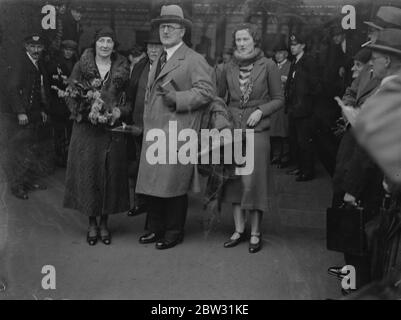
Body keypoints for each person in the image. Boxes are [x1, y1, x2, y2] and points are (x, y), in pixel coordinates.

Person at [135, 5, 214, 250]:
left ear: (182, 32)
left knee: (174, 184)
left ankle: (173, 231)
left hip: (177, 132)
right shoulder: (159, 56)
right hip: (156, 131)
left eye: (171, 27)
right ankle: (154, 227)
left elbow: (206, 92)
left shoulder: (194, 59)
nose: (165, 31)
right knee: (155, 182)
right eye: (162, 26)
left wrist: (178, 99)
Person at [217, 23, 284, 253]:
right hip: (233, 131)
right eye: (238, 40)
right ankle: (238, 230)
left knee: (254, 183)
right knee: (235, 182)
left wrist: (261, 111)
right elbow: (218, 99)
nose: (242, 43)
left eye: (246, 39)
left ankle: (255, 233)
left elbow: (278, 99)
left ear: (255, 40)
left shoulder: (269, 66)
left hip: (258, 131)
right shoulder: (228, 67)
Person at [63, 27, 131, 246]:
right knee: (89, 175)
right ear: (95, 44)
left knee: (109, 176)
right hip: (87, 131)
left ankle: (104, 222)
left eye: (109, 41)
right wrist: (84, 111)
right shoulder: (81, 66)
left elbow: (128, 100)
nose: (105, 45)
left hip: (111, 131)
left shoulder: (122, 68)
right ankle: (92, 223)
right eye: (101, 41)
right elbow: (70, 94)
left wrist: (119, 113)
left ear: (114, 45)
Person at [8, 34, 50, 200]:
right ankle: (17, 186)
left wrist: (42, 110)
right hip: (22, 115)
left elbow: (38, 91)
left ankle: (28, 181)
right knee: (20, 150)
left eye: (39, 47)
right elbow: (12, 89)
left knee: (32, 148)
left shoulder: (38, 64)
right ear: (26, 47)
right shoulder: (21, 63)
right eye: (32, 46)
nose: (36, 50)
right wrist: (20, 111)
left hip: (33, 114)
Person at [126, 30, 163, 217]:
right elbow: (131, 95)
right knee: (138, 166)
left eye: (157, 46)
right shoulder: (140, 66)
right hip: (138, 125)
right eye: (150, 46)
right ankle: (139, 203)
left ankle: (154, 206)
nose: (153, 50)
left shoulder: (167, 67)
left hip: (159, 129)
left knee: (156, 169)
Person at [285, 33, 319, 182]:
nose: (293, 47)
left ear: (303, 45)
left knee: (305, 141)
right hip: (294, 108)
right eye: (291, 45)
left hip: (304, 109)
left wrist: (306, 101)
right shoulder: (295, 61)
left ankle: (308, 171)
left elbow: (316, 86)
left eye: (296, 45)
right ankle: (300, 167)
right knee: (296, 140)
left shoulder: (309, 61)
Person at [47, 39, 78, 167]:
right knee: (59, 132)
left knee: (71, 132)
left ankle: (68, 159)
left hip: (72, 104)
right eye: (66, 50)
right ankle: (59, 158)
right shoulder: (55, 63)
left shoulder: (77, 64)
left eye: (71, 50)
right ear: (62, 50)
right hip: (58, 103)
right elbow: (50, 83)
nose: (68, 52)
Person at [270, 43, 291, 168]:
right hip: (273, 102)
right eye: (276, 53)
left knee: (284, 131)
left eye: (280, 53)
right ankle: (276, 156)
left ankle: (285, 157)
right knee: (274, 131)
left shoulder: (291, 66)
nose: (277, 55)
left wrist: (287, 81)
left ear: (286, 54)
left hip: (284, 103)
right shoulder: (272, 67)